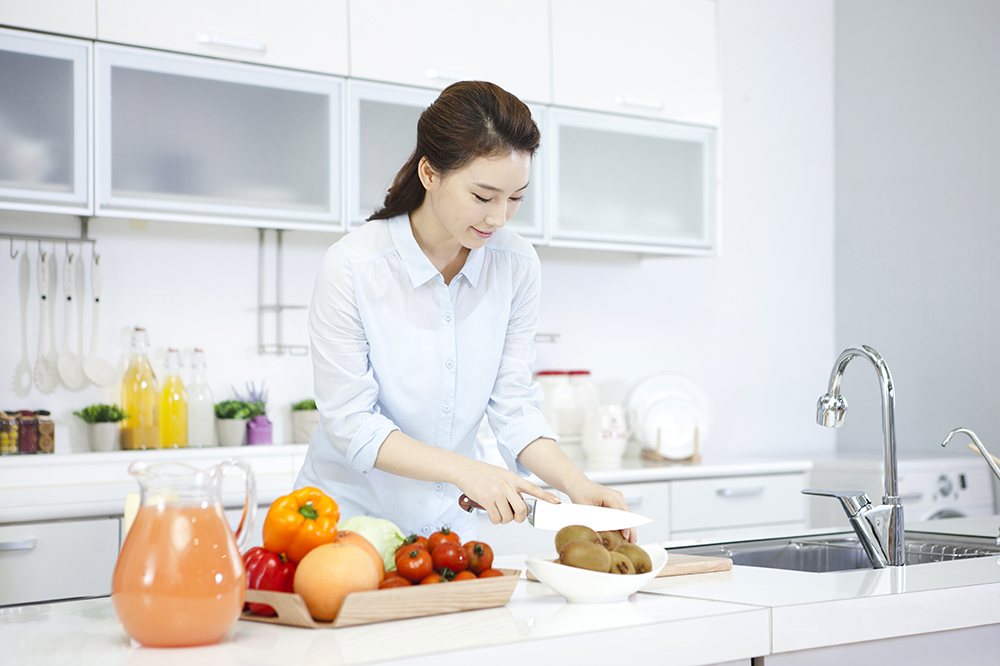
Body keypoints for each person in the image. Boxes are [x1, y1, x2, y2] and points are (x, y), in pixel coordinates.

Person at [295, 80, 634, 542]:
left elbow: (513, 406)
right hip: (346, 526)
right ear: (430, 174)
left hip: (447, 532)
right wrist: (464, 470)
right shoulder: (353, 266)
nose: (499, 217)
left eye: (515, 198)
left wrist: (580, 487)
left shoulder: (516, 265)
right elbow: (351, 423)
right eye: (483, 196)